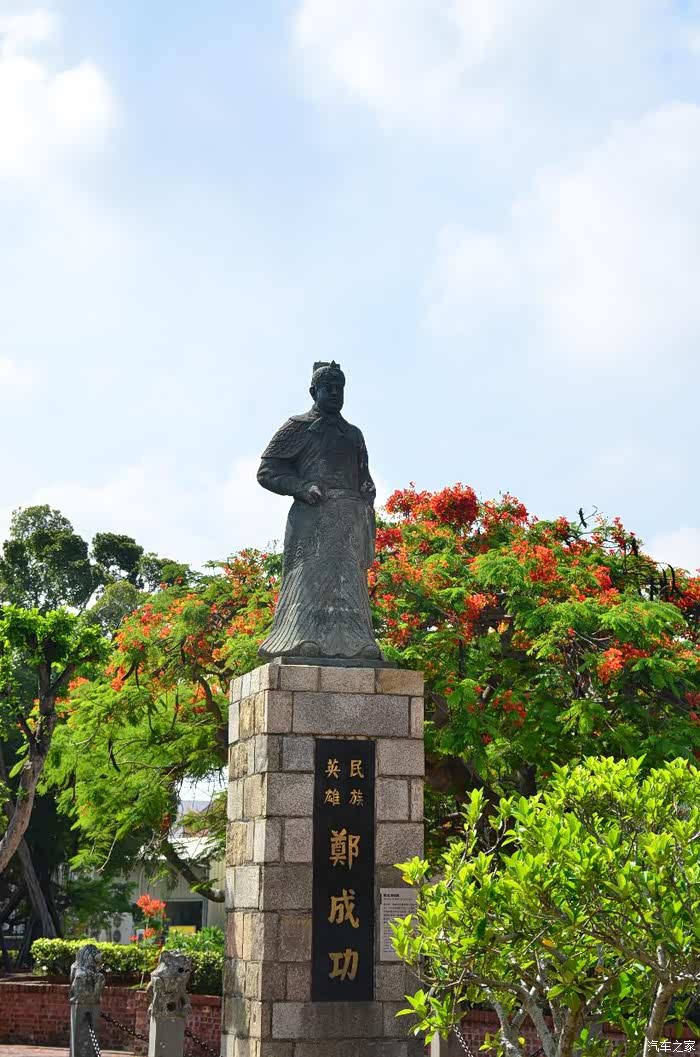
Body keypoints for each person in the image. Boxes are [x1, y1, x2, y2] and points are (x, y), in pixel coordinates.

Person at [257, 361, 382, 662]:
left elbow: (364, 476)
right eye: (329, 388)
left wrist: (367, 492)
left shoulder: (353, 435)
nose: (335, 393)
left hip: (348, 521)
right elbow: (267, 472)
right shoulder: (298, 427)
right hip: (312, 519)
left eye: (340, 388)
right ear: (314, 392)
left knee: (349, 582)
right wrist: (301, 487)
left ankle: (357, 642)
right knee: (309, 579)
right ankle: (300, 637)